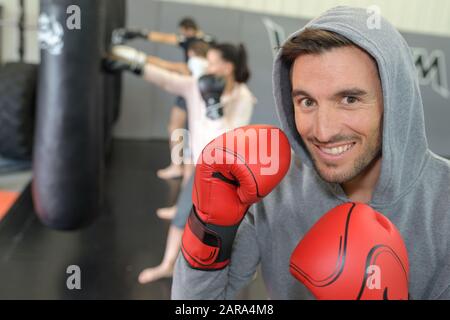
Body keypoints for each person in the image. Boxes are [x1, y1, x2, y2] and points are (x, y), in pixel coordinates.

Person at [171, 6, 450, 300]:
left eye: (349, 99)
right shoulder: (274, 189)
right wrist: (209, 228)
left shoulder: (443, 207)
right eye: (307, 102)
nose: (323, 131)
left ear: (395, 100)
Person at [104, 42, 256, 283]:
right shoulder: (197, 85)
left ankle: (228, 274)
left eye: (213, 62)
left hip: (225, 173)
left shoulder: (243, 97)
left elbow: (228, 142)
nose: (207, 66)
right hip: (201, 167)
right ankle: (167, 265)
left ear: (227, 68)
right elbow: (167, 80)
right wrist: (133, 66)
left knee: (221, 228)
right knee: (181, 218)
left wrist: (213, 105)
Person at [113, 17, 214, 180]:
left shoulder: (191, 53)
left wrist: (137, 49)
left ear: (188, 30)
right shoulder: (209, 43)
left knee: (176, 127)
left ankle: (177, 167)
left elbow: (166, 48)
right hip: (206, 94)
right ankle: (187, 171)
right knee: (190, 132)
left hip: (191, 90)